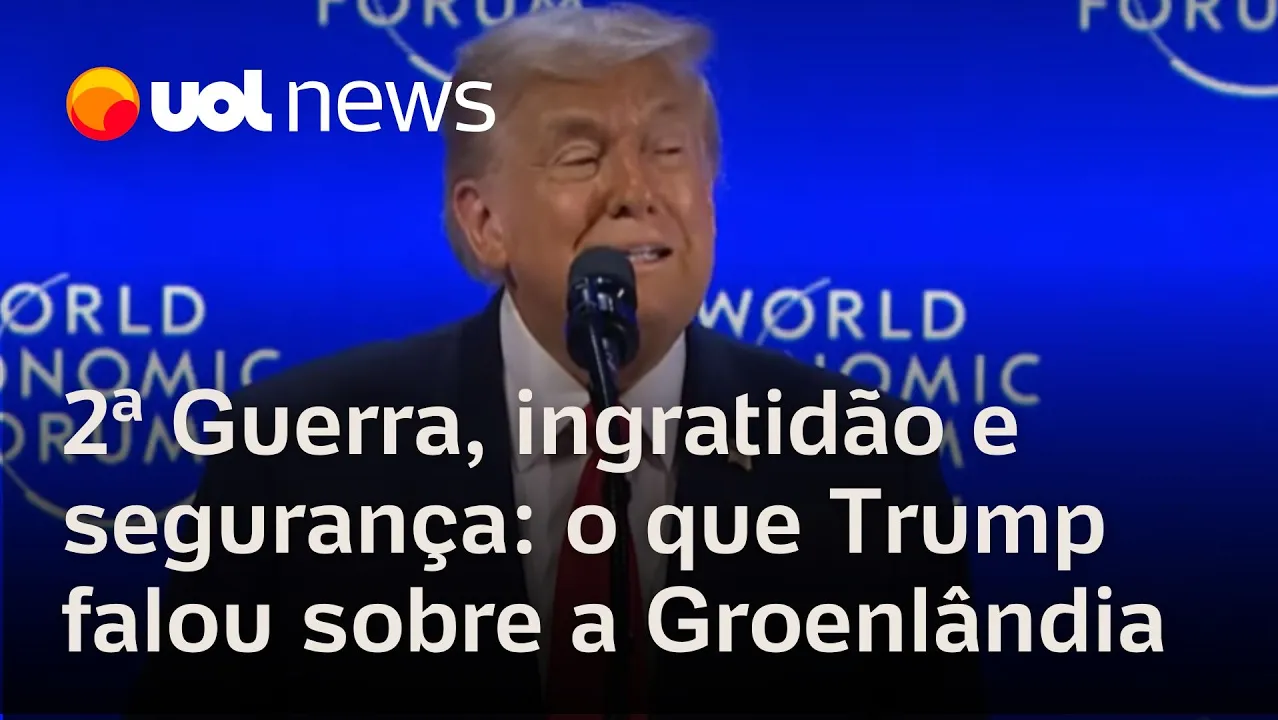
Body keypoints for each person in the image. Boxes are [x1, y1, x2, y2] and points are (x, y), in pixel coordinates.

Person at [131, 4, 982, 717]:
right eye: (581, 156)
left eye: (668, 150)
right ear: (484, 224)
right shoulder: (297, 456)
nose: (636, 191)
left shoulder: (863, 460)